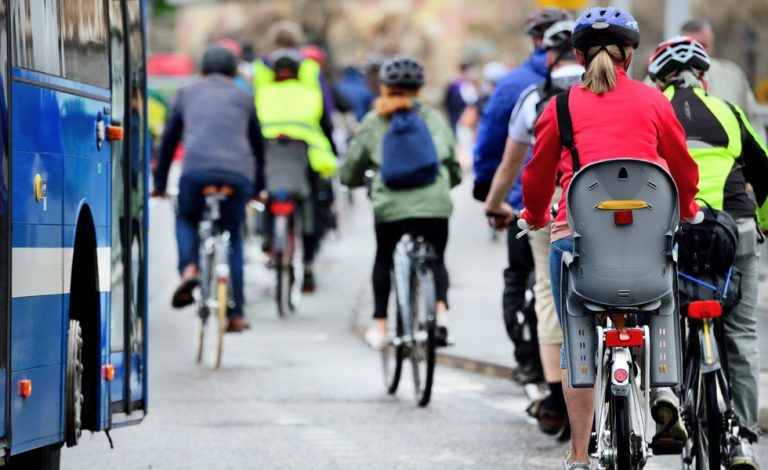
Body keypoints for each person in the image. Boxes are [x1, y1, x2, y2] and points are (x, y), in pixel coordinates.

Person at [516, 8, 701, 468]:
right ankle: (663, 390)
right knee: (661, 298)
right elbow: (682, 169)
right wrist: (691, 208)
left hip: (578, 250)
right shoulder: (655, 102)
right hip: (643, 252)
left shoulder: (558, 108)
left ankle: (579, 455)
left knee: (576, 339)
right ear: (631, 56)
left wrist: (535, 215)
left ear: (578, 55)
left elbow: (537, 177)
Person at [649, 36, 768, 468]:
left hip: (676, 229)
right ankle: (743, 439)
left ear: (658, 78)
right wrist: (764, 224)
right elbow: (765, 171)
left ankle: (668, 399)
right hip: (734, 228)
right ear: (703, 77)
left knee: (663, 312)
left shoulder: (652, 108)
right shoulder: (730, 111)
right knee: (741, 333)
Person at [484, 19, 583, 439]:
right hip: (622, 205)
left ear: (547, 57)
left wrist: (496, 203)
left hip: (557, 208)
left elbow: (514, 164)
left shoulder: (534, 97)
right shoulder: (616, 92)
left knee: (547, 290)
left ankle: (558, 399)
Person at [473, 6, 571, 386]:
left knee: (527, 282)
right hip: (604, 203)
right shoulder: (605, 84)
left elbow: (494, 144)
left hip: (529, 202)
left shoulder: (519, 86)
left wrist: (487, 194)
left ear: (540, 45)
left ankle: (534, 370)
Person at [341, 56, 462, 350]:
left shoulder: (373, 121)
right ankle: (442, 315)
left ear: (384, 87)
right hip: (434, 205)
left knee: (384, 259)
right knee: (436, 258)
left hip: (391, 208)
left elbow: (351, 169)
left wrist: (353, 181)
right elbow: (453, 164)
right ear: (419, 88)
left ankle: (381, 327)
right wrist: (449, 183)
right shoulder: (433, 118)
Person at [152, 45, 265, 333]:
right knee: (233, 232)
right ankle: (236, 313)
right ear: (233, 70)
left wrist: (161, 184)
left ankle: (189, 269)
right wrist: (258, 187)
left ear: (202, 69)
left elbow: (169, 141)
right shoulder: (244, 95)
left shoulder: (187, 93)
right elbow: (257, 144)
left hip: (196, 172)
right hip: (237, 175)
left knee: (187, 217)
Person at [253, 48, 337, 293]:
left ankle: (266, 237)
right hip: (306, 157)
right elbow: (326, 125)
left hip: (270, 156)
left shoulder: (263, 91)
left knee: (264, 193)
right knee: (312, 203)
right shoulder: (310, 91)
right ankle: (308, 265)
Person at [680, 18, 766, 143]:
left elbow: (753, 122)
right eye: (691, 45)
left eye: (703, 45)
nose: (697, 51)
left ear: (712, 44)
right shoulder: (659, 78)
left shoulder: (733, 76)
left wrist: (761, 159)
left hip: (732, 160)